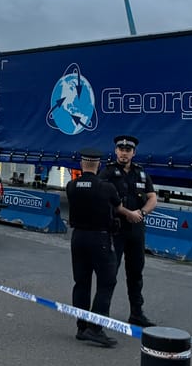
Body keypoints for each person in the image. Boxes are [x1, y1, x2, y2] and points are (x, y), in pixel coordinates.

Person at [100, 134, 159, 328]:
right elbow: (102, 198)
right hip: (116, 230)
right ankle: (102, 315)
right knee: (110, 273)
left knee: (136, 274)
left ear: (133, 153)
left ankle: (137, 313)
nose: (124, 153)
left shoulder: (141, 173)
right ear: (116, 151)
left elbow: (152, 198)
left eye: (128, 150)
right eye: (121, 149)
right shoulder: (107, 173)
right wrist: (127, 213)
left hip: (136, 230)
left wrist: (141, 213)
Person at [65, 148, 121, 348]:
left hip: (78, 237)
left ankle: (81, 327)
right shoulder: (106, 187)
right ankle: (96, 328)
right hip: (100, 238)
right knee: (107, 282)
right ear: (98, 165)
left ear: (82, 164)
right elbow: (117, 206)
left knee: (81, 283)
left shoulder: (71, 186)